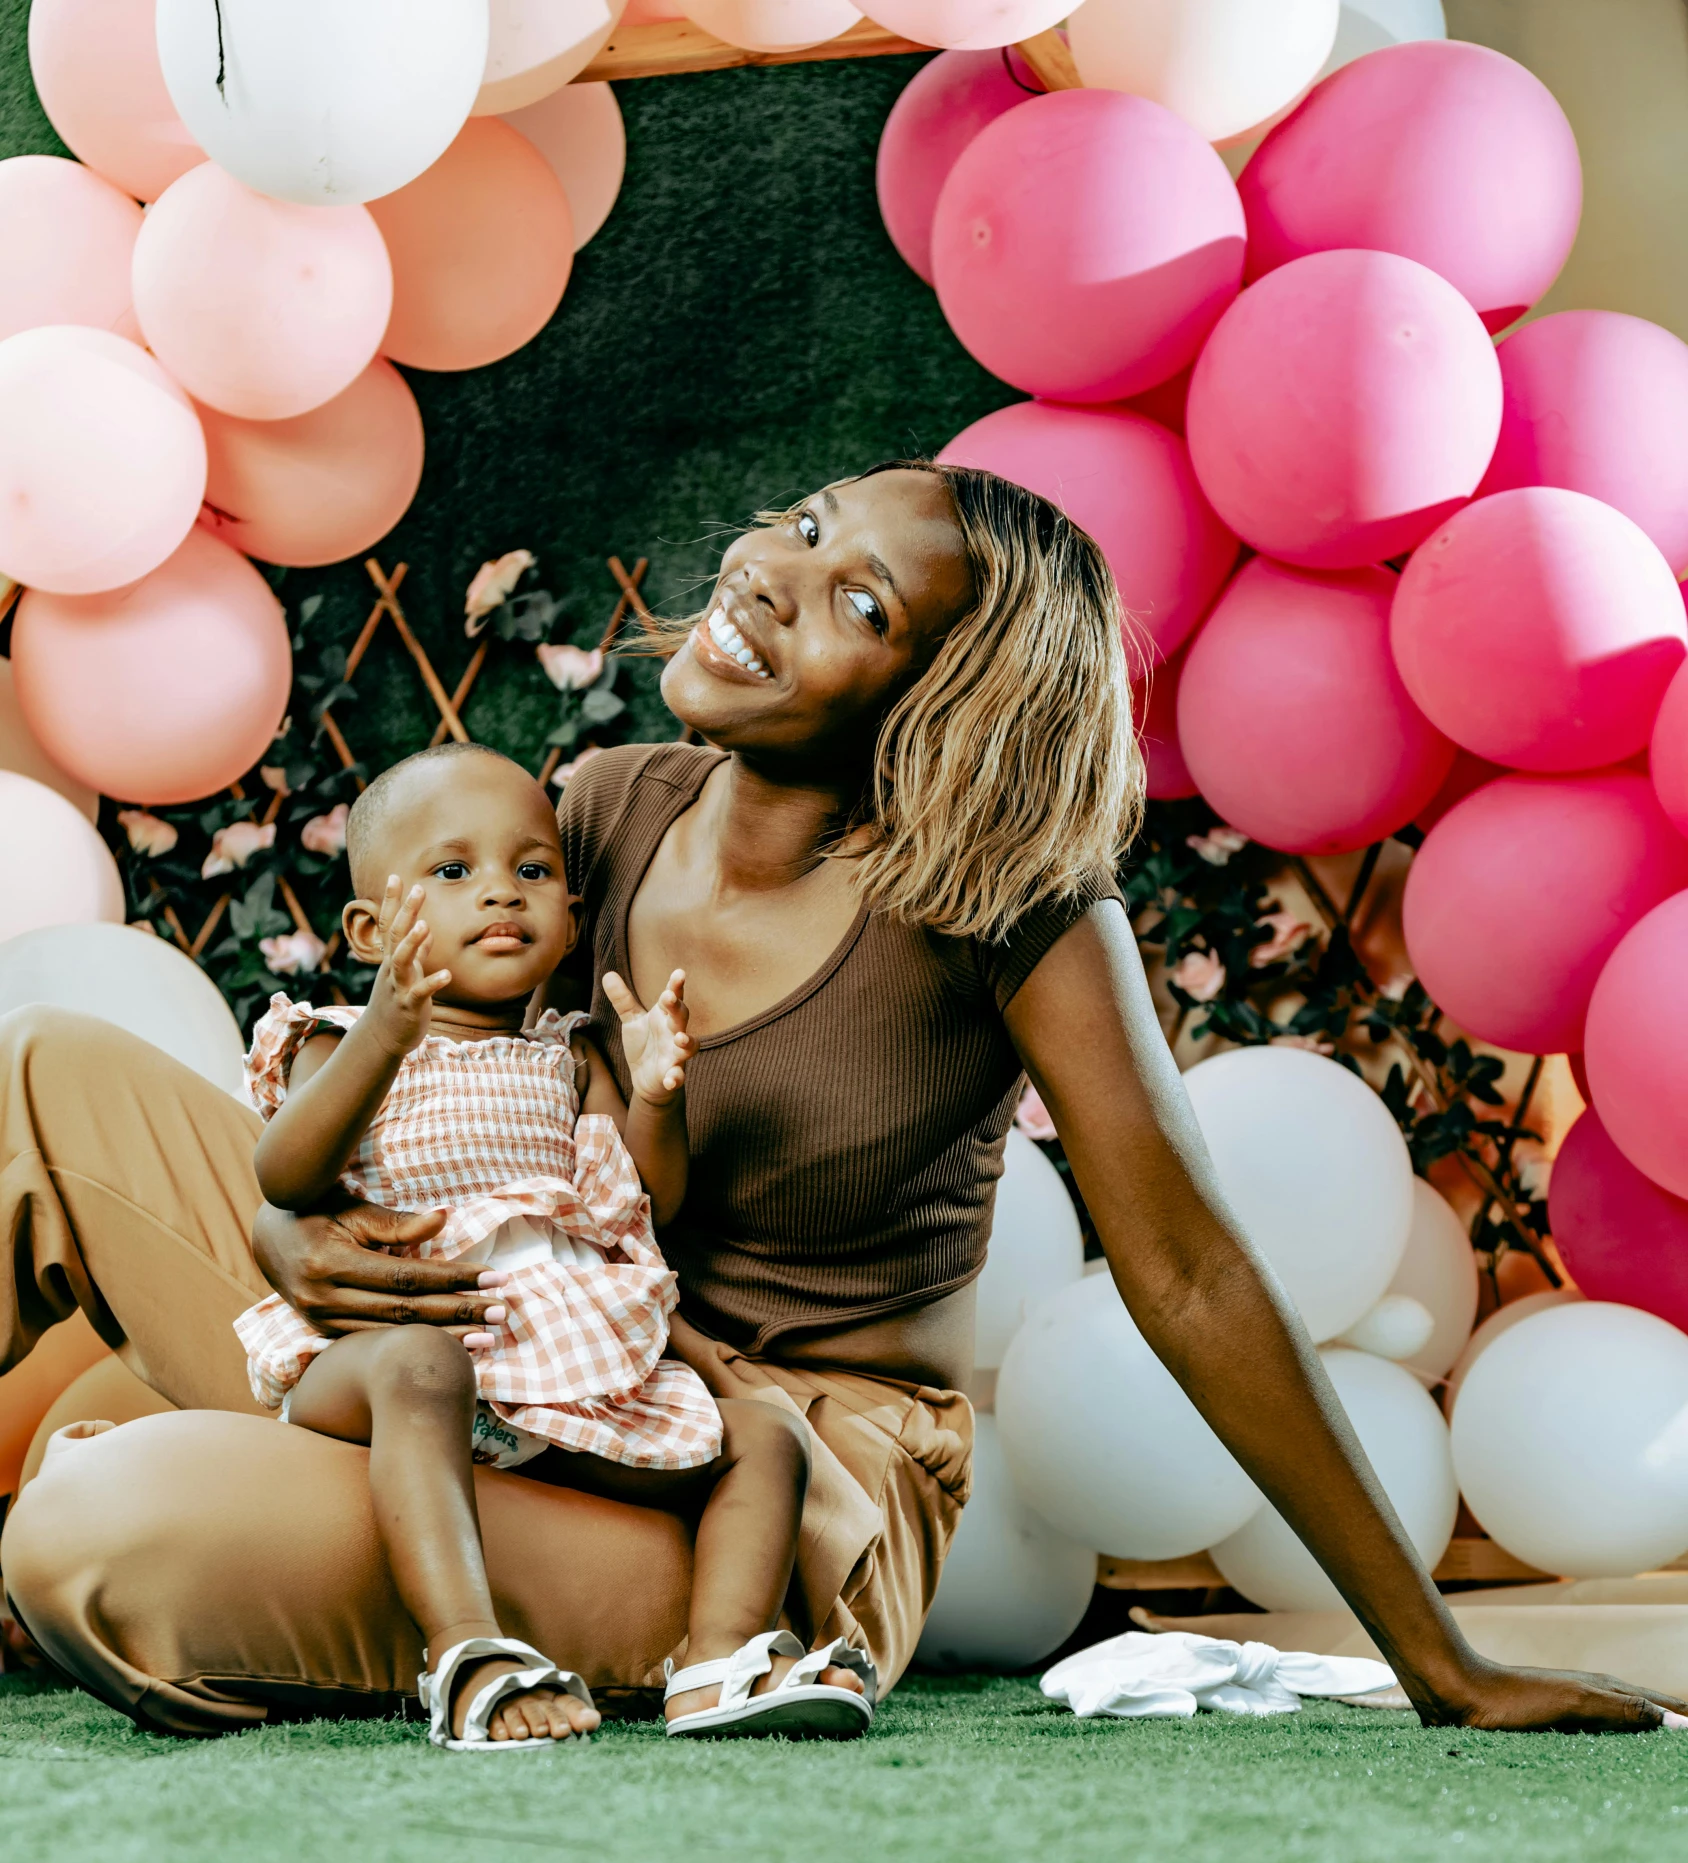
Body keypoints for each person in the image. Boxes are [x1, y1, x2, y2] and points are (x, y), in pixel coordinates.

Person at [0, 461, 1676, 1737]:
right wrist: (293, 1234)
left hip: (759, 1484)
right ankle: (240, 1493)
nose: (770, 578)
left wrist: (1439, 1660)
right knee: (39, 1078)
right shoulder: (595, 810)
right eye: (802, 529)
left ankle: (202, 1504)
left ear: (930, 710)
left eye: (859, 605)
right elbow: (423, 1103)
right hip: (505, 1350)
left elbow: (1185, 1271)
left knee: (108, 1531)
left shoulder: (1008, 914)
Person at [232, 743, 872, 1748]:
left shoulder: (569, 1059)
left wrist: (658, 1093)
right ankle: (466, 1648)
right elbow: (286, 1176)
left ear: (569, 915)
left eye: (531, 871)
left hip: (555, 1370)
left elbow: (646, 1202)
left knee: (765, 1437)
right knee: (421, 1365)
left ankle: (720, 1659)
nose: (499, 894)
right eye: (453, 872)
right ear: (367, 928)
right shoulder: (334, 1037)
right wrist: (387, 1033)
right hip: (386, 1365)